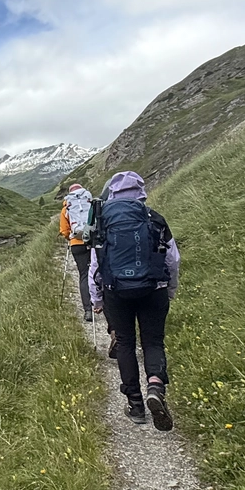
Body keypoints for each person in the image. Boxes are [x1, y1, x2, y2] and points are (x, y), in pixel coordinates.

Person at [88, 170, 179, 430]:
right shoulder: (155, 219)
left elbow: (95, 264)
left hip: (116, 291)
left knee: (125, 343)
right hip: (154, 289)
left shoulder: (103, 221)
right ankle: (155, 387)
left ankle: (136, 404)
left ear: (112, 193)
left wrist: (97, 299)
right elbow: (173, 259)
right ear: (141, 192)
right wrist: (169, 288)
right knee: (153, 341)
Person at [58, 183, 95, 321]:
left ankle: (87, 311)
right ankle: (102, 304)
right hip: (93, 242)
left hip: (77, 244)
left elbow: (64, 231)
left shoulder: (66, 208)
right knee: (98, 271)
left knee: (84, 274)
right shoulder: (90, 203)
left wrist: (70, 238)